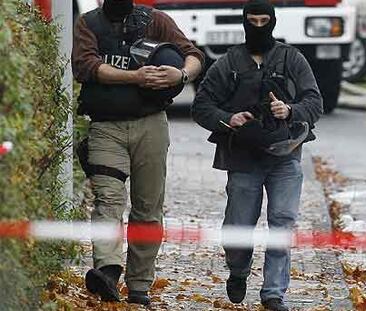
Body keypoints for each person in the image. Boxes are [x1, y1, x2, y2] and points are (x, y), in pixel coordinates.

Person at [192, 0, 323, 310]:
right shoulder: (228, 64)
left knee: (283, 221)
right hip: (243, 157)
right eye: (253, 20)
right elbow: (201, 106)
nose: (259, 26)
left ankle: (274, 292)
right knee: (239, 224)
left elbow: (315, 103)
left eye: (265, 20)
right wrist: (229, 119)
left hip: (285, 155)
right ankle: (237, 271)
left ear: (274, 22)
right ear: (244, 21)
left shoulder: (292, 59)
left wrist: (290, 110)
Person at [72, 0, 204, 306]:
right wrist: (135, 77)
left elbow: (194, 56)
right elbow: (85, 66)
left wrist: (180, 76)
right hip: (106, 127)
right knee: (108, 200)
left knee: (148, 206)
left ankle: (140, 284)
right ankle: (108, 270)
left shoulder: (155, 20)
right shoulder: (89, 23)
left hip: (150, 125)